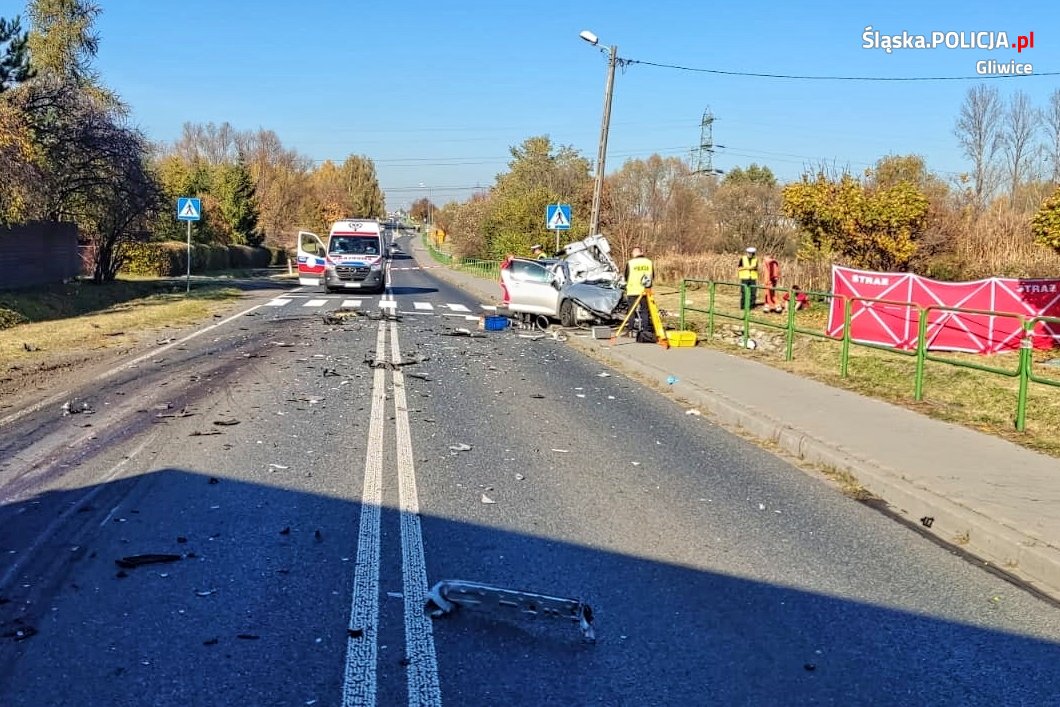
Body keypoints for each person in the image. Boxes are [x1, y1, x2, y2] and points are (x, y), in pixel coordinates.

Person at [623, 247, 655, 342]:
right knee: (645, 311)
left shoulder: (630, 263)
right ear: (641, 252)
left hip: (633, 290)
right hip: (645, 290)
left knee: (631, 311)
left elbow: (626, 276)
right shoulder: (649, 262)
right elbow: (652, 275)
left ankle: (630, 331)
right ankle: (645, 331)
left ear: (634, 253)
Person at [738, 246, 759, 311]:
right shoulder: (742, 258)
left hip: (753, 277)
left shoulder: (756, 259)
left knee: (753, 292)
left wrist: (754, 268)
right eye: (749, 253)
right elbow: (739, 268)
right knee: (744, 292)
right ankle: (743, 306)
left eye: (752, 253)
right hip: (745, 277)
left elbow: (756, 267)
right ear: (747, 253)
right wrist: (747, 268)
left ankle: (751, 306)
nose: (750, 254)